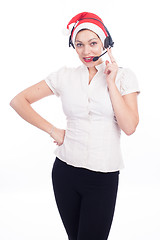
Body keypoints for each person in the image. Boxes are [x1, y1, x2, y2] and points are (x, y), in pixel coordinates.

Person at [10, 11, 140, 240]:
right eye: (79, 44)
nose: (86, 51)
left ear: (105, 42)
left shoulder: (123, 77)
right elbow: (18, 101)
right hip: (65, 172)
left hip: (103, 176)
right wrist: (53, 130)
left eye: (93, 43)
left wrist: (110, 82)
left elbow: (129, 127)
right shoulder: (64, 76)